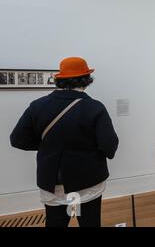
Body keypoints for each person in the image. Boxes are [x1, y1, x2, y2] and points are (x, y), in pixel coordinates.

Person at [10, 57, 119, 227]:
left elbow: (17, 140)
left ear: (60, 79)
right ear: (86, 79)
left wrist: (48, 146)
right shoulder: (95, 107)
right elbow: (109, 144)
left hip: (53, 182)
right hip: (87, 181)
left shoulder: (37, 106)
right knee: (89, 223)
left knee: (55, 223)